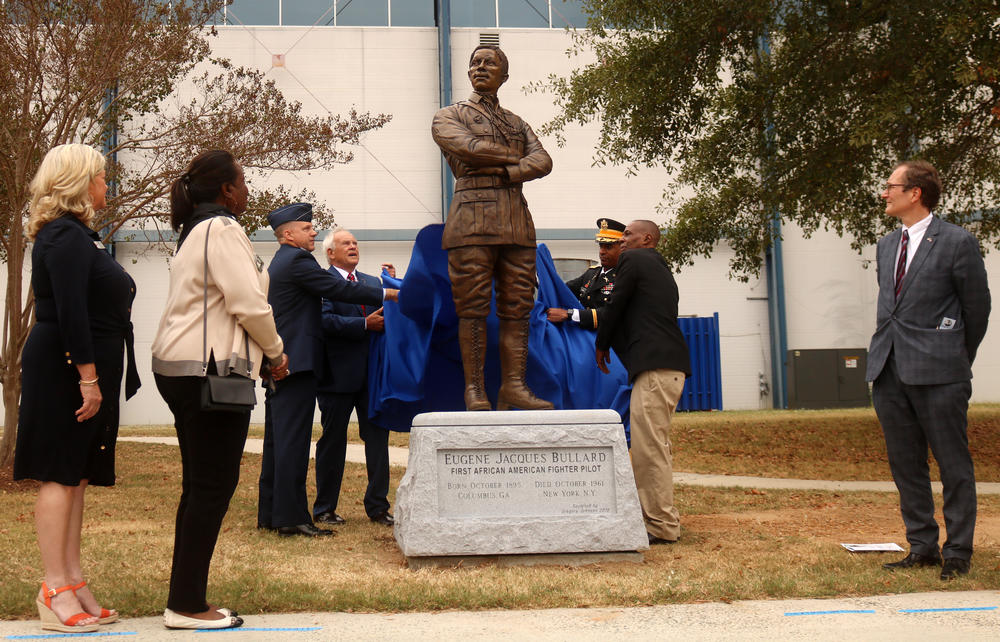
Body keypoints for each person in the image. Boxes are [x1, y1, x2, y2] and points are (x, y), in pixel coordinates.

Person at [151, 149, 288, 630]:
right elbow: (249, 303)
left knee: (200, 487)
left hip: (180, 368)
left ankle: (184, 597)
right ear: (227, 190)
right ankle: (186, 606)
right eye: (243, 181)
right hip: (208, 374)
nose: (247, 189)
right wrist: (276, 352)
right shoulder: (223, 230)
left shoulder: (193, 232)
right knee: (212, 486)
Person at [15, 143, 139, 634]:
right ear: (80, 183)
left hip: (87, 367)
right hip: (65, 369)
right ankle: (53, 587)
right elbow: (69, 313)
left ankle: (72, 578)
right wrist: (87, 377)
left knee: (78, 475)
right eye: (101, 177)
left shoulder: (79, 236)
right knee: (59, 474)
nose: (107, 185)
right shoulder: (63, 236)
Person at [866, 160, 991, 580]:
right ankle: (922, 546)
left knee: (953, 463)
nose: (884, 193)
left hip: (941, 371)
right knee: (906, 464)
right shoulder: (886, 245)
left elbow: (977, 308)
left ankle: (958, 551)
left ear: (914, 192)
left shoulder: (957, 242)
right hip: (889, 368)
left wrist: (955, 355)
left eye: (890, 186)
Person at [257, 204, 396, 537]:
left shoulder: (281, 262)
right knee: (293, 442)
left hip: (287, 361)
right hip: (298, 363)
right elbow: (339, 290)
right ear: (288, 234)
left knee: (279, 443)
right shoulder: (298, 261)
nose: (313, 232)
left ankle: (272, 513)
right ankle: (291, 519)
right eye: (307, 228)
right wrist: (388, 292)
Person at [431, 45, 553, 411]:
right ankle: (475, 389)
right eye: (475, 62)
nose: (480, 67)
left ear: (504, 75)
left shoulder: (517, 122)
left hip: (517, 221)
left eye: (490, 63)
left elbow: (544, 160)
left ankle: (514, 386)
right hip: (471, 220)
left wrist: (506, 169)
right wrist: (517, 160)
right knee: (472, 307)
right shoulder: (448, 115)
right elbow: (466, 147)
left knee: (518, 307)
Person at [595, 220, 691, 545]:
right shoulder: (658, 267)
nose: (621, 242)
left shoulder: (634, 261)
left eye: (627, 236)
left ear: (646, 239)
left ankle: (661, 525)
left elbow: (614, 305)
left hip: (655, 369)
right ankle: (658, 518)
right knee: (654, 446)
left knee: (649, 449)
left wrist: (601, 344)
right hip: (667, 367)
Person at [313, 229, 395, 528]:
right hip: (336, 377)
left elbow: (391, 314)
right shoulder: (322, 282)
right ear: (330, 253)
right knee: (333, 442)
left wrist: (394, 284)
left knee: (377, 441)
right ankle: (324, 508)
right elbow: (323, 321)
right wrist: (363, 324)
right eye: (346, 243)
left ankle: (378, 507)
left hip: (372, 378)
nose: (353, 247)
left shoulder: (373, 284)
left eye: (356, 243)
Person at [547, 218, 625, 329]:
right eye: (601, 246)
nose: (602, 252)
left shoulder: (625, 277)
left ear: (623, 249)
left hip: (610, 341)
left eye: (608, 247)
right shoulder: (592, 273)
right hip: (585, 336)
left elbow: (612, 313)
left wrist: (569, 314)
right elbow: (563, 290)